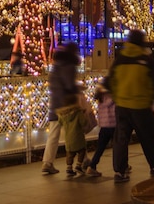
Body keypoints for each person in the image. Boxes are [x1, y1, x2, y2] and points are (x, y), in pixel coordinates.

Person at [106, 29, 154, 183]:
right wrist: (152, 99)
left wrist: (117, 97)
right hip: (141, 105)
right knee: (148, 137)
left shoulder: (119, 59)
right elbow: (153, 82)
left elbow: (111, 80)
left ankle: (120, 171)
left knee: (121, 139)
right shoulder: (146, 59)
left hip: (122, 105)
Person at [41, 42, 80, 174]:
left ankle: (47, 162)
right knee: (75, 132)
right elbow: (69, 85)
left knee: (53, 135)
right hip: (67, 105)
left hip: (54, 104)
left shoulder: (55, 66)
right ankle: (83, 161)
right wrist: (77, 89)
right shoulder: (69, 66)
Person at [86, 83, 117, 177]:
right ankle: (122, 166)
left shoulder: (100, 99)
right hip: (113, 125)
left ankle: (92, 166)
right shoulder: (114, 97)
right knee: (118, 147)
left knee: (100, 148)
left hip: (103, 127)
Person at [56, 94, 89, 176]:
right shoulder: (78, 112)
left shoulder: (62, 114)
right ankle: (78, 165)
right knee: (82, 151)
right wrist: (85, 115)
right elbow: (83, 122)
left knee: (70, 154)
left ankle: (69, 167)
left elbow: (60, 123)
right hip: (78, 137)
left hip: (68, 139)